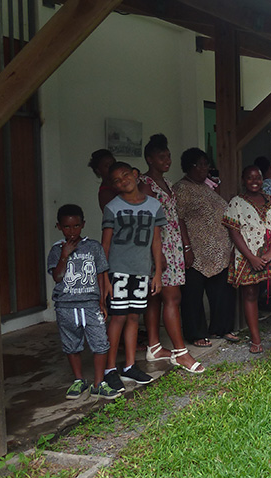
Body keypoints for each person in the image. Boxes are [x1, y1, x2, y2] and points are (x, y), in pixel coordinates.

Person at [139, 134, 204, 374]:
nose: (166, 160)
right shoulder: (145, 184)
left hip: (172, 243)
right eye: (161, 157)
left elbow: (175, 217)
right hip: (159, 246)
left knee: (156, 297)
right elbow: (146, 221)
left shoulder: (166, 182)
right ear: (149, 159)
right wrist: (157, 254)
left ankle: (154, 346)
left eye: (168, 156)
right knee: (172, 298)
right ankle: (179, 352)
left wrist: (185, 245)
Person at [101, 162, 165, 392]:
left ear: (136, 175)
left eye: (125, 175)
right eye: (116, 180)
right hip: (117, 271)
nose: (122, 181)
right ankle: (110, 369)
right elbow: (105, 245)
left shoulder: (154, 206)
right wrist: (104, 277)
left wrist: (156, 273)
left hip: (141, 271)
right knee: (117, 318)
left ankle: (129, 366)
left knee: (133, 318)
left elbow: (156, 241)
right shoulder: (112, 207)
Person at [48, 204, 119, 400]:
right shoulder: (56, 250)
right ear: (59, 227)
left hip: (90, 304)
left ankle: (98, 383)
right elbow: (57, 277)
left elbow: (101, 275)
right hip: (66, 306)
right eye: (67, 227)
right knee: (71, 343)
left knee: (100, 342)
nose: (72, 231)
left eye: (76, 226)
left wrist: (102, 303)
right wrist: (64, 255)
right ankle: (79, 380)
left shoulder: (93, 247)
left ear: (83, 224)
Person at [173, 148, 240, 345]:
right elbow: (179, 219)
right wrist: (186, 248)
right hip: (197, 251)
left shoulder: (207, 187)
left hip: (219, 251)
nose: (204, 168)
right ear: (189, 166)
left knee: (222, 293)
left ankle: (221, 329)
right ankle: (196, 334)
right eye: (199, 165)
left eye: (206, 164)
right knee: (192, 296)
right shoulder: (181, 189)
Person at [223, 165, 271, 353]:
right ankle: (256, 340)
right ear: (243, 180)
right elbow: (234, 232)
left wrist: (269, 254)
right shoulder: (236, 202)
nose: (254, 181)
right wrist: (251, 258)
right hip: (247, 255)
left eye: (257, 177)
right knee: (250, 294)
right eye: (250, 178)